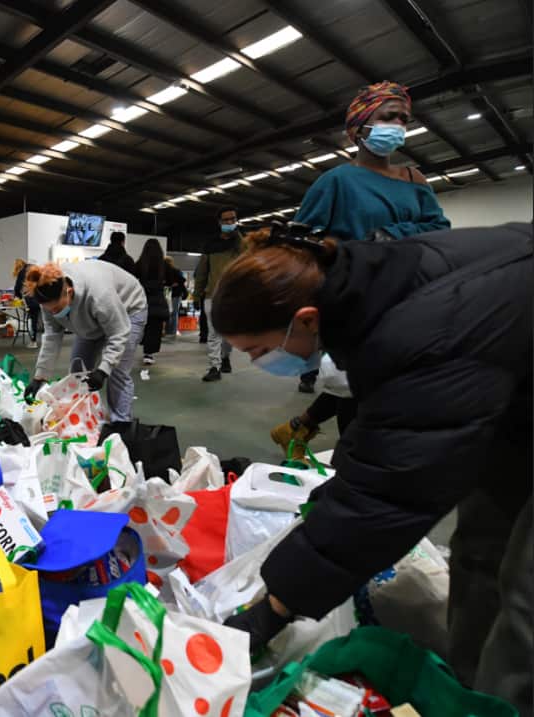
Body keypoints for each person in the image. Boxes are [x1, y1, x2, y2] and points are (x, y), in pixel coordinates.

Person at [212, 223, 531, 711]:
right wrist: (334, 499)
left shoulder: (427, 326)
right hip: (511, 399)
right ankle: (464, 691)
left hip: (509, 391)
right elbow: (390, 417)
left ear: (306, 319)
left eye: (258, 350)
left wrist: (274, 609)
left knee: (525, 603)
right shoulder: (369, 292)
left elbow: (393, 490)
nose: (258, 362)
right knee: (480, 550)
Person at [274, 81, 452, 457]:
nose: (399, 125)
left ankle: (300, 429)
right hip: (359, 302)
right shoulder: (336, 181)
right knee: (362, 402)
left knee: (380, 391)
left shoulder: (414, 180)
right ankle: (348, 476)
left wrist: (392, 234)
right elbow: (300, 243)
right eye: (389, 117)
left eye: (404, 118)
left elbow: (440, 230)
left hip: (410, 299)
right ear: (359, 127)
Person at [22, 262, 147, 426]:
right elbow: (52, 336)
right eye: (50, 309)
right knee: (77, 372)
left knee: (117, 372)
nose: (54, 313)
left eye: (57, 308)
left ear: (70, 292)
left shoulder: (99, 295)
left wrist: (103, 370)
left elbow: (119, 332)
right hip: (91, 319)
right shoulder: (48, 296)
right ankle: (81, 420)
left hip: (129, 309)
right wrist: (40, 377)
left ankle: (121, 425)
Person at [193, 207, 242, 381]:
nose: (230, 222)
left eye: (233, 219)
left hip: (234, 297)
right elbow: (201, 272)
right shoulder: (210, 246)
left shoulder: (243, 245)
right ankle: (214, 367)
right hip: (212, 295)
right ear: (219, 222)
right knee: (213, 333)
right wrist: (196, 294)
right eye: (226, 220)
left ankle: (225, 356)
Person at [135, 238, 169, 365]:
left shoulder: (140, 263)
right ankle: (148, 354)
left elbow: (131, 277)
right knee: (155, 328)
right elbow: (177, 278)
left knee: (140, 325)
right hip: (158, 300)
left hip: (142, 298)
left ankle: (135, 347)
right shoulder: (163, 264)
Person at [12, 258, 41, 349]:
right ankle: (36, 340)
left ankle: (33, 341)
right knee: (38, 320)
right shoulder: (36, 270)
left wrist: (18, 296)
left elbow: (17, 286)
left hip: (31, 298)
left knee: (33, 319)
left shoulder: (23, 271)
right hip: (41, 298)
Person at [163, 255, 186, 338]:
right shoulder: (176, 270)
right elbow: (183, 280)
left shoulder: (162, 271)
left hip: (166, 294)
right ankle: (173, 331)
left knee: (167, 313)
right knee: (174, 313)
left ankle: (166, 330)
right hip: (176, 294)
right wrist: (175, 283)